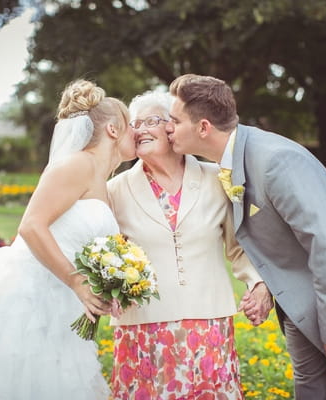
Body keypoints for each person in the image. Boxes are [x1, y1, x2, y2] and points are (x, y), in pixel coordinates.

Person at [165, 74, 326, 400]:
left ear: (204, 127)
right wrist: (263, 285)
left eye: (175, 120)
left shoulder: (275, 161)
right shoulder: (232, 163)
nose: (168, 127)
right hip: (298, 302)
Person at [0, 79, 136, 400]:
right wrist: (77, 281)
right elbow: (32, 226)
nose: (138, 132)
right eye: (131, 124)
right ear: (113, 130)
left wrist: (106, 286)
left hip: (62, 306)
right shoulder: (77, 164)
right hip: (30, 302)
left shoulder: (102, 179)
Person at [106, 90, 269, 399]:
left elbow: (239, 247)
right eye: (134, 123)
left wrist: (258, 284)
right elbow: (102, 252)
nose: (139, 129)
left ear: (172, 128)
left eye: (150, 121)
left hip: (208, 324)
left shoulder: (216, 178)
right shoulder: (114, 190)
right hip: (142, 328)